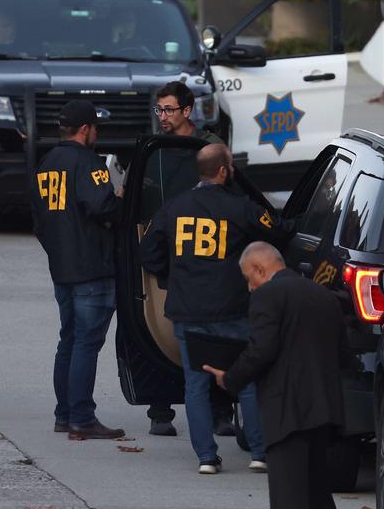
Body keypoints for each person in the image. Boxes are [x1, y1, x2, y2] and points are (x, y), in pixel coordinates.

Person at [204, 242, 349, 509]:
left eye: (247, 279)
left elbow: (262, 349)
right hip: (324, 412)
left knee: (288, 507)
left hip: (287, 412)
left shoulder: (268, 296)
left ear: (258, 269)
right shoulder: (323, 296)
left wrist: (229, 379)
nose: (249, 288)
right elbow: (341, 353)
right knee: (320, 503)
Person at [140, 144, 294, 473]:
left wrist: (174, 274)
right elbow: (279, 232)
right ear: (223, 171)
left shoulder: (173, 207)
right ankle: (258, 453)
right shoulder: (241, 208)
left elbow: (148, 252)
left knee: (194, 385)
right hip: (232, 310)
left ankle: (206, 458)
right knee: (247, 381)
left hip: (187, 310)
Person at [30, 100, 127, 441]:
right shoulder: (88, 162)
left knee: (68, 341)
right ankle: (82, 418)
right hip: (92, 268)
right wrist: (120, 197)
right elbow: (101, 206)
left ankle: (64, 414)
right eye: (96, 128)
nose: (97, 133)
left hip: (62, 267)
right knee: (86, 343)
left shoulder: (46, 163)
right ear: (85, 129)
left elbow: (38, 220)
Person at [145, 81, 232, 437]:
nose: (162, 117)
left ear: (187, 110)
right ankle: (160, 408)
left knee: (213, 337)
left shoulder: (208, 148)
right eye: (159, 110)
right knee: (160, 332)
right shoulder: (155, 150)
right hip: (169, 252)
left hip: (208, 252)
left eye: (168, 110)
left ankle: (220, 409)